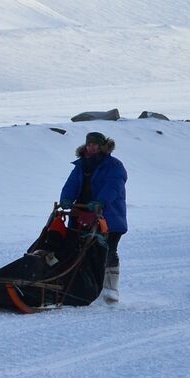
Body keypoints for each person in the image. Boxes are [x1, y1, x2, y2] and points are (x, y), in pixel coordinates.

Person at [59, 130, 127, 303]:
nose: (92, 147)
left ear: (103, 146)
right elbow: (72, 184)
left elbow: (114, 186)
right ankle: (80, 285)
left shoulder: (114, 166)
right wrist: (66, 199)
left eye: (96, 144)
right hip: (82, 214)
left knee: (108, 250)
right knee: (76, 248)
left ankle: (111, 289)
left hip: (109, 215)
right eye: (89, 144)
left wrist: (100, 202)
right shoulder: (81, 165)